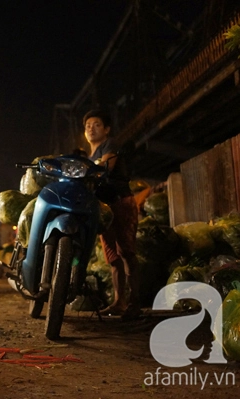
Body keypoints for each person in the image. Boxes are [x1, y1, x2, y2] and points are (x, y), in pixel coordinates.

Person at [83, 109, 141, 321]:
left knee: (126, 253)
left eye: (96, 124)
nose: (91, 128)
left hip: (121, 203)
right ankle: (119, 302)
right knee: (112, 258)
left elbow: (106, 166)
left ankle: (135, 303)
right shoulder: (89, 156)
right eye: (88, 125)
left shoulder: (110, 146)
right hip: (104, 210)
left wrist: (89, 168)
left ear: (106, 129)